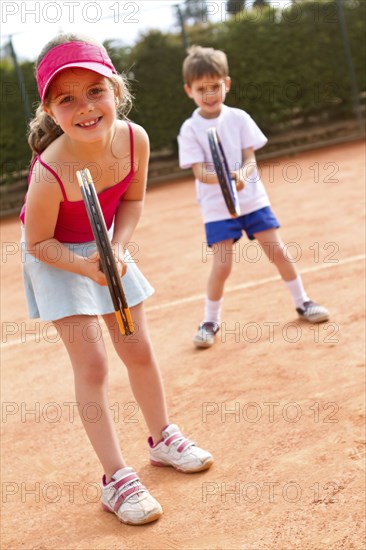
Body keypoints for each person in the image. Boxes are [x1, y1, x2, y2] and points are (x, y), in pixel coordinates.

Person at [20, 34, 213, 526]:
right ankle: (115, 479)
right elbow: (38, 241)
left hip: (107, 244)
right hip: (56, 257)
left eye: (95, 91)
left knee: (139, 349)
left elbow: (131, 201)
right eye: (67, 99)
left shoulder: (135, 139)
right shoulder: (49, 172)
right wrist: (87, 267)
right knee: (94, 365)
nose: (85, 107)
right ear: (50, 110)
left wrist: (117, 249)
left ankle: (162, 438)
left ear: (116, 92)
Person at [177, 46, 329, 348]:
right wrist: (226, 181)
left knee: (278, 252)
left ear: (227, 84)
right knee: (222, 266)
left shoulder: (239, 118)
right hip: (217, 208)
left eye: (215, 86)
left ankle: (303, 302)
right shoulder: (190, 128)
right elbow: (199, 172)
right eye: (201, 89)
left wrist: (243, 177)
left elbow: (249, 158)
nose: (209, 94)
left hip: (253, 201)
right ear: (188, 91)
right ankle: (210, 321)